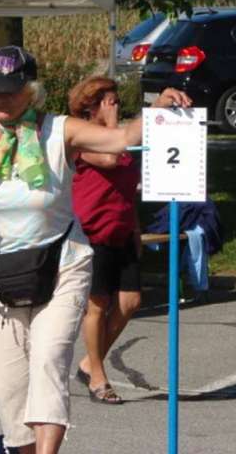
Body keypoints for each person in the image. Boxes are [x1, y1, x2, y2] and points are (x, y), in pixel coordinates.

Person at [0, 45, 189, 454]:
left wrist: (159, 109)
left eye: (8, 90)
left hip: (63, 264)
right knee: (10, 389)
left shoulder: (59, 130)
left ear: (31, 90)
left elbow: (121, 139)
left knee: (47, 362)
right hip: (2, 275)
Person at [68, 76, 141, 405]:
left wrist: (136, 228)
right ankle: (97, 375)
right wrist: (113, 124)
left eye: (116, 102)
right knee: (97, 305)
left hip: (122, 229)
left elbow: (128, 186)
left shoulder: (119, 140)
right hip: (92, 232)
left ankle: (89, 362)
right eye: (109, 102)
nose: (116, 107)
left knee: (130, 303)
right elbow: (110, 159)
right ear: (91, 106)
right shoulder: (82, 141)